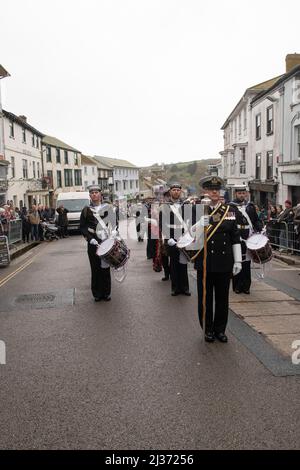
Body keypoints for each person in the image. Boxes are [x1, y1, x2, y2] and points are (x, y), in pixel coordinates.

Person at [194, 176, 242, 343]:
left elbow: (235, 237)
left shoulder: (229, 211)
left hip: (224, 262)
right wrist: (199, 224)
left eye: (217, 189)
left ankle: (220, 330)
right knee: (205, 298)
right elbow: (188, 237)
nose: (214, 191)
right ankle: (207, 329)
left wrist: (238, 261)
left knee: (222, 299)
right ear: (205, 191)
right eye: (210, 188)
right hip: (206, 262)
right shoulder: (197, 210)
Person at [80, 185, 116, 302]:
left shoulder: (108, 208)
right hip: (93, 243)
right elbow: (83, 227)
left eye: (96, 192)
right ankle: (97, 293)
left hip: (106, 242)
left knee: (105, 268)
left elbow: (114, 223)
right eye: (92, 193)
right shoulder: (86, 210)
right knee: (95, 269)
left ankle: (106, 293)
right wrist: (90, 238)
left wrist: (114, 232)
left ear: (100, 194)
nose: (94, 194)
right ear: (90, 195)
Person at [229, 185, 263, 294]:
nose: (242, 195)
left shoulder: (250, 206)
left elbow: (256, 220)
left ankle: (246, 286)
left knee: (247, 262)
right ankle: (237, 286)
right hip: (237, 235)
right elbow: (229, 223)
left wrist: (260, 229)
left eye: (243, 193)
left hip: (249, 236)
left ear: (246, 194)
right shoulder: (231, 207)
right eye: (239, 193)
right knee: (238, 260)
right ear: (236, 194)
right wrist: (233, 235)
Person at [159, 183, 191, 296]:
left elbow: (190, 222)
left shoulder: (186, 204)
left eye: (178, 190)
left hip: (183, 236)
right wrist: (168, 238)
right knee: (173, 263)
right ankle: (175, 288)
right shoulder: (165, 206)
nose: (176, 192)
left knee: (183, 262)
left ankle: (185, 288)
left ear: (180, 192)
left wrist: (189, 236)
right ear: (170, 192)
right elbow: (162, 224)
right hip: (171, 237)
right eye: (174, 190)